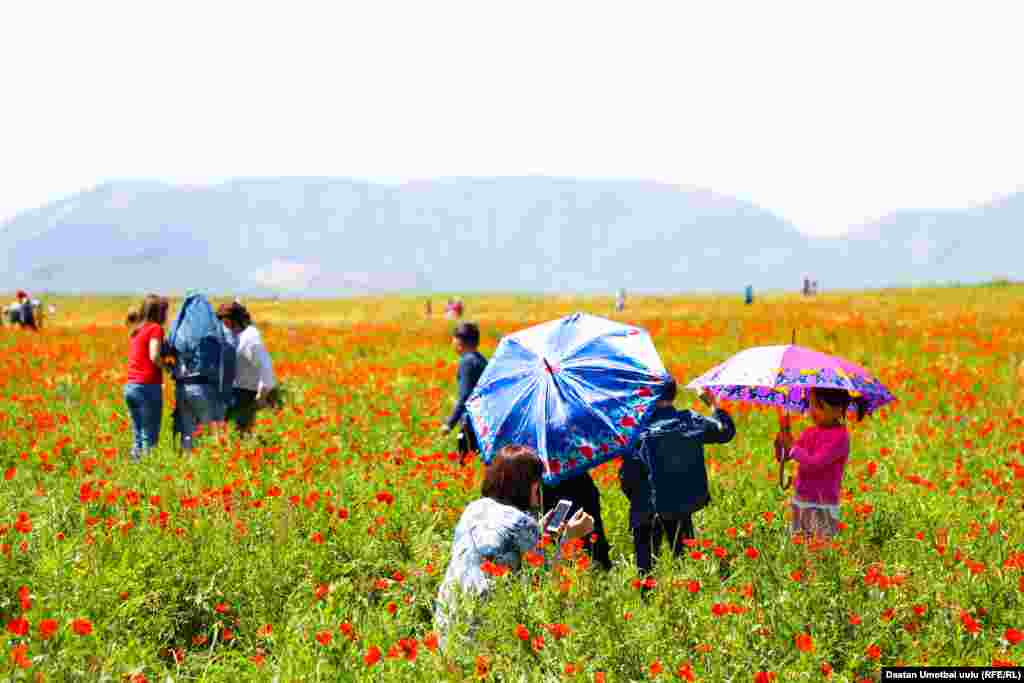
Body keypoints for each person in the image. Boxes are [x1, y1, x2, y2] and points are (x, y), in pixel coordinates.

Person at [434, 445, 594, 648]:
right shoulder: (520, 523)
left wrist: (536, 531)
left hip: (449, 622)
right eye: (538, 481)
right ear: (527, 484)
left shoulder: (474, 508)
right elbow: (546, 583)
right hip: (484, 633)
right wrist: (570, 537)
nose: (540, 488)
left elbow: (501, 540)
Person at [619, 378, 735, 574]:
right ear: (673, 394)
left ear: (647, 395)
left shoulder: (634, 430)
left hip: (644, 509)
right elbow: (726, 432)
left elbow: (626, 477)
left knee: (645, 572)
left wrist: (637, 498)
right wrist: (713, 403)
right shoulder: (690, 420)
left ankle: (647, 599)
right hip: (680, 505)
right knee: (685, 565)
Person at [775, 388, 863, 538]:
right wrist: (781, 444)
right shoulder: (809, 432)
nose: (813, 411)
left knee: (819, 547)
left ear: (838, 410)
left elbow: (816, 462)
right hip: (801, 498)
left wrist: (792, 449)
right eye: (811, 404)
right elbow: (789, 456)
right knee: (800, 543)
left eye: (820, 406)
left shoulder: (840, 437)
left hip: (823, 504)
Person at [217, 302, 277, 433]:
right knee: (227, 431)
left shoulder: (251, 339)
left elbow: (266, 368)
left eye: (226, 322)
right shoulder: (236, 334)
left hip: (247, 393)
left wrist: (262, 396)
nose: (224, 326)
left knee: (241, 433)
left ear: (236, 320)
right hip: (234, 390)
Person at [124, 295, 169, 461]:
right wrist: (167, 368)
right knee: (149, 435)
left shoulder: (137, 329)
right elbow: (154, 355)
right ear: (159, 312)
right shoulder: (155, 328)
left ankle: (135, 467)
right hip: (147, 386)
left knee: (137, 434)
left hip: (131, 386)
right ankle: (148, 470)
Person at [542, 469, 613, 570]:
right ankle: (598, 564)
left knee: (565, 539)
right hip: (572, 485)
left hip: (565, 490)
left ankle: (596, 564)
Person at [442, 322, 488, 463]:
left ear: (461, 341)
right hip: (483, 421)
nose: (452, 342)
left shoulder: (467, 362)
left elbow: (465, 396)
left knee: (466, 462)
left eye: (454, 338)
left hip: (472, 421)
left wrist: (449, 424)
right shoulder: (480, 359)